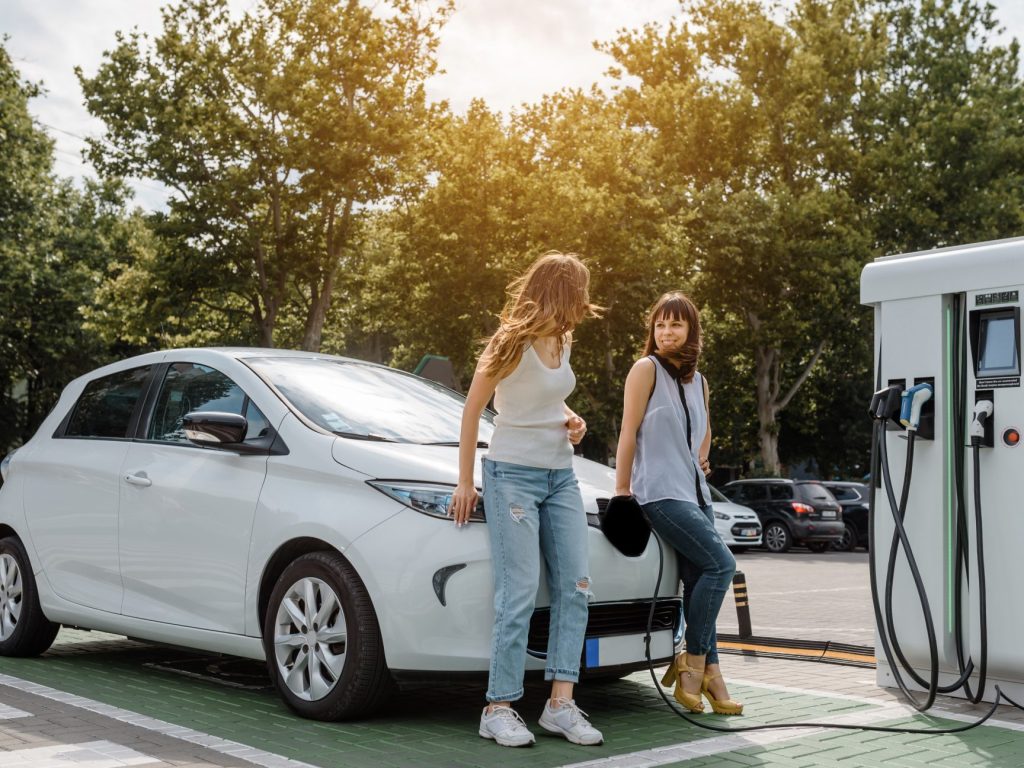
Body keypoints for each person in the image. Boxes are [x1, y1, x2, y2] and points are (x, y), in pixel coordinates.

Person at [449, 251, 604, 748]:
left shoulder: (563, 338)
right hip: (511, 473)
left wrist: (571, 418)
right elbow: (474, 410)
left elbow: (544, 397)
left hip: (561, 474)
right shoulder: (510, 340)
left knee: (576, 587)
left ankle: (560, 704)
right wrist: (466, 481)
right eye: (579, 291)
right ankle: (497, 707)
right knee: (519, 591)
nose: (584, 302)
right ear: (562, 291)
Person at [614, 291, 743, 715]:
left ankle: (707, 674)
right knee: (722, 565)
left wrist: (701, 458)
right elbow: (628, 431)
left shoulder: (699, 381)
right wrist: (621, 490)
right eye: (660, 325)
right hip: (659, 492)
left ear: (692, 331)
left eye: (676, 325)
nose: (666, 333)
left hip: (696, 494)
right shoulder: (644, 369)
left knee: (701, 586)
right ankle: (695, 663)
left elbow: (703, 431)